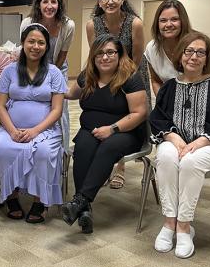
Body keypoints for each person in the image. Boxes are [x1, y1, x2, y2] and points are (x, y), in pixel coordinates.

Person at [150, 31, 210, 259]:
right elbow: (158, 118)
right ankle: (169, 222)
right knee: (167, 156)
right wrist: (174, 137)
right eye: (189, 51)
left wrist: (202, 140)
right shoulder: (170, 86)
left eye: (200, 52)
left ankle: (184, 226)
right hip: (178, 142)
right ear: (180, 56)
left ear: (207, 57)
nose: (194, 57)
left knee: (191, 161)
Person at [62, 34, 147, 234]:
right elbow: (69, 94)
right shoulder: (87, 76)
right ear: (93, 56)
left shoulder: (130, 78)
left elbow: (139, 113)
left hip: (125, 132)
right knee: (83, 146)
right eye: (99, 53)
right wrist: (43, 87)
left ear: (119, 55)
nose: (105, 57)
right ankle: (84, 211)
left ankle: (81, 200)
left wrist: (112, 129)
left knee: (108, 147)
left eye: (110, 52)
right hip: (91, 130)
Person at [0, 23, 67, 223]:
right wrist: (12, 130)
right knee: (0, 148)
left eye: (41, 42)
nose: (35, 46)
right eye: (31, 41)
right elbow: (0, 106)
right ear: (23, 44)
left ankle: (40, 200)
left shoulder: (54, 73)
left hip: (46, 130)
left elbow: (57, 110)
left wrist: (34, 131)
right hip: (11, 129)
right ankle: (11, 196)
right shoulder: (9, 71)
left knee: (44, 152)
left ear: (46, 46)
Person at [85, 0, 149, 189]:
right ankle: (104, 167)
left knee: (126, 119)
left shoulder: (135, 23)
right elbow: (96, 55)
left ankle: (119, 167)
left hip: (130, 77)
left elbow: (137, 58)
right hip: (105, 77)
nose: (110, 1)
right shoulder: (92, 24)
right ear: (99, 2)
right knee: (105, 117)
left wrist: (123, 80)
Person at [20, 0, 75, 153]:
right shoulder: (28, 23)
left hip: (57, 67)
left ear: (59, 5)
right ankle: (32, 145)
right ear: (39, 4)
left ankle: (63, 152)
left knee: (60, 109)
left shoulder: (68, 25)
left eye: (54, 2)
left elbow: (62, 54)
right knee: (34, 102)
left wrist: (51, 75)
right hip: (32, 66)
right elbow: (25, 49)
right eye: (45, 2)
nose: (49, 6)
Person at [143, 0, 210, 96]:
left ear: (183, 21)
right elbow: (156, 81)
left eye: (174, 19)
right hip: (176, 97)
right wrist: (163, 102)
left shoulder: (199, 44)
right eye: (163, 20)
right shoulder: (151, 48)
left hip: (208, 95)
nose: (168, 25)